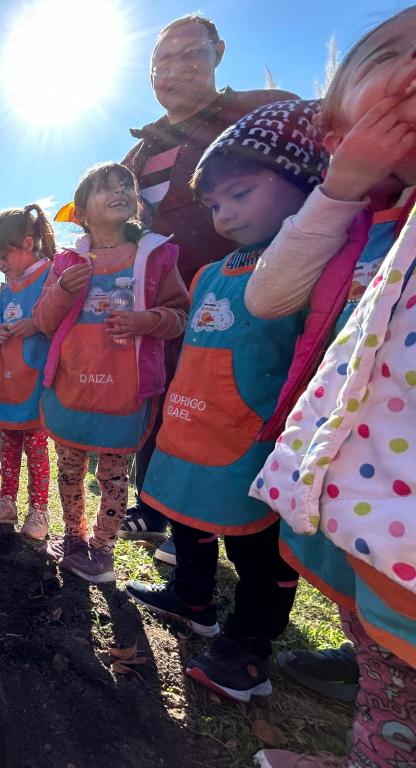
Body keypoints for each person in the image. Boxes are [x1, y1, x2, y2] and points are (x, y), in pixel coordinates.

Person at [249, 12, 416, 767]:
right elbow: (269, 296)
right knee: (386, 662)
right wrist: (341, 189)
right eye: (390, 55)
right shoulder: (362, 224)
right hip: (367, 498)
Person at [125, 100, 328, 703]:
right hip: (191, 422)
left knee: (256, 546)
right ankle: (192, 598)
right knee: (187, 514)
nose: (225, 214)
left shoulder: (313, 267)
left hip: (254, 434)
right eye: (214, 204)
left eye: (240, 194)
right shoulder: (212, 272)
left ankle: (248, 647)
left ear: (304, 184)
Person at [120, 13, 297, 562]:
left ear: (218, 53)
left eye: (190, 54)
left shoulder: (258, 113)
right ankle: (163, 511)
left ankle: (236, 532)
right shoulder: (139, 152)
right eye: (162, 61)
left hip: (242, 299)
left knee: (230, 412)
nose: (174, 70)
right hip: (163, 307)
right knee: (165, 403)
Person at [34, 163, 189, 584]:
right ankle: (74, 538)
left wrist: (148, 321)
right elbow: (44, 321)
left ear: (136, 202)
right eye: (104, 187)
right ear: (82, 212)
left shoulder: (156, 256)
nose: (118, 190)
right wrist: (63, 289)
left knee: (113, 476)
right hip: (71, 386)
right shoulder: (66, 262)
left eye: (125, 185)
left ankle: (102, 550)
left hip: (124, 390)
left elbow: (180, 316)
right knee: (69, 470)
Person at [0, 205, 55, 539]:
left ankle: (39, 510)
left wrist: (36, 324)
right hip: (9, 377)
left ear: (28, 243)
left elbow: (57, 319)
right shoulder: (7, 288)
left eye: (2, 257)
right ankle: (7, 500)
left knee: (36, 447)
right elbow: (0, 328)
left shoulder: (51, 276)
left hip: (37, 379)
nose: (0, 265)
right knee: (8, 443)